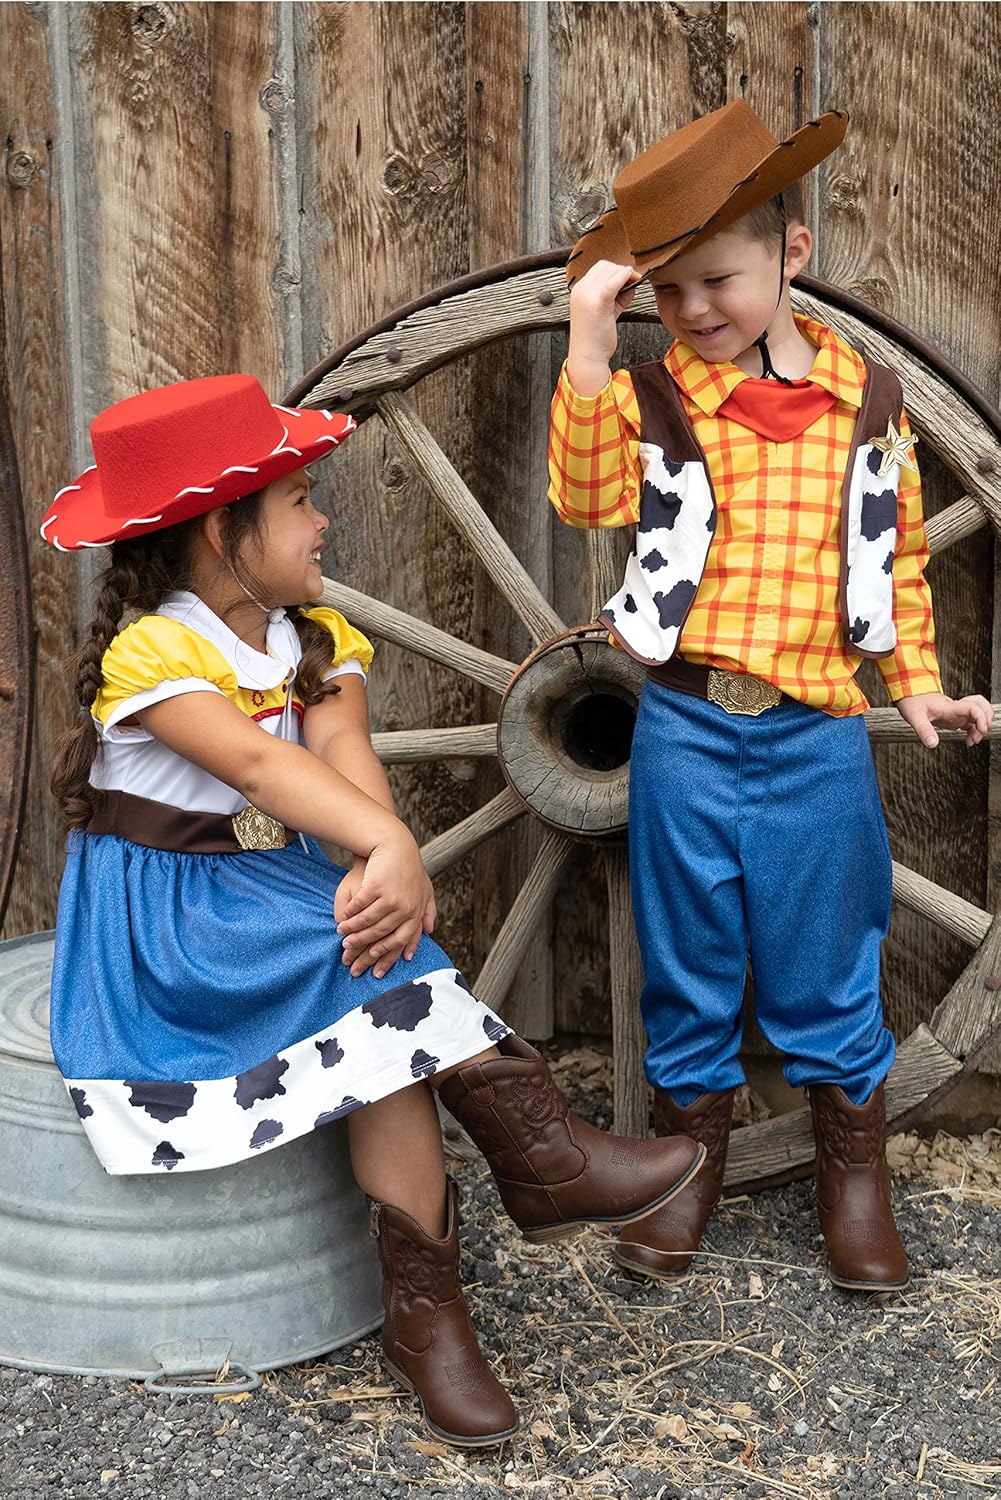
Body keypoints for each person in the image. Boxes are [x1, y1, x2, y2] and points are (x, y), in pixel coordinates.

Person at [40, 374, 704, 1446]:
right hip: (171, 926)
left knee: (374, 970)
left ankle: (430, 1314)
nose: (321, 519)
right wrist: (386, 849)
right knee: (366, 966)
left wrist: (387, 867)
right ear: (222, 530)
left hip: (272, 893)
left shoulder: (313, 639)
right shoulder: (153, 653)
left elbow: (344, 766)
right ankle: (545, 1162)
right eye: (298, 500)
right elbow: (257, 765)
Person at [548, 101, 993, 1292]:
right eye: (669, 292)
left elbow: (892, 555)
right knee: (687, 951)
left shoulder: (868, 401)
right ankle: (688, 1165)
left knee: (824, 950)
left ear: (789, 256)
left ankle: (851, 1176)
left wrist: (916, 690)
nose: (694, 311)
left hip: (815, 736)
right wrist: (591, 344)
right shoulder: (659, 396)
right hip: (689, 726)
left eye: (718, 281)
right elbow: (586, 499)